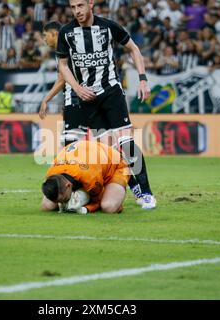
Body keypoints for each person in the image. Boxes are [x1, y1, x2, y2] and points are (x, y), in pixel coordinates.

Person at [56, 0, 156, 209]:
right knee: (93, 150)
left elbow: (134, 49)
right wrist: (77, 88)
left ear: (91, 3)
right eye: (73, 7)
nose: (77, 11)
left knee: (125, 143)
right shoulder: (66, 32)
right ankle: (74, 195)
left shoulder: (108, 27)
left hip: (110, 92)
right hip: (83, 96)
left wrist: (143, 79)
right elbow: (62, 65)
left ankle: (145, 192)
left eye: (81, 6)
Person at [39, 21, 92, 146]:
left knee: (70, 142)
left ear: (54, 34)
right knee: (75, 141)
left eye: (45, 35)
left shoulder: (65, 49)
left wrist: (46, 99)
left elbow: (62, 79)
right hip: (82, 98)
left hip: (76, 98)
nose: (44, 39)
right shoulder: (71, 45)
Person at [41, 140, 129, 214]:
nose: (63, 203)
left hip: (116, 164)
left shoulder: (89, 177)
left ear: (68, 186)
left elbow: (97, 201)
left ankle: (117, 198)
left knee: (108, 207)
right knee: (47, 205)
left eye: (64, 200)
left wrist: (86, 209)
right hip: (87, 157)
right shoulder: (51, 173)